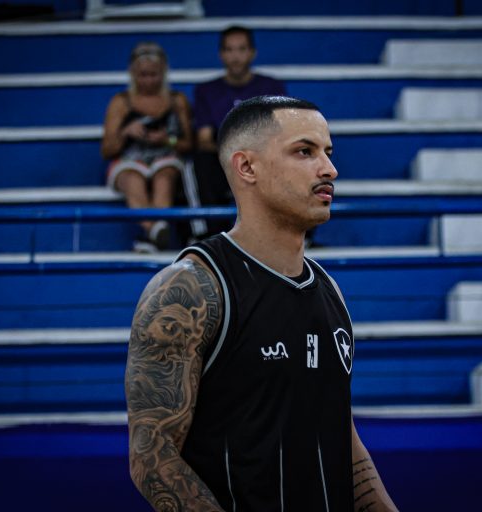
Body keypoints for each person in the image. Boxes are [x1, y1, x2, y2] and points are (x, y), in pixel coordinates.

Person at [125, 96, 398, 511]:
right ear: (247, 167)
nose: (329, 169)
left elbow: (343, 439)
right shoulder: (191, 288)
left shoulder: (330, 290)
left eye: (328, 152)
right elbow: (153, 458)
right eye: (304, 151)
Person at [192, 25, 287, 238]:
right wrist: (235, 155)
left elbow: (280, 133)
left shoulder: (271, 87)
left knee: (292, 156)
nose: (235, 57)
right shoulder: (206, 90)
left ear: (252, 53)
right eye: (229, 50)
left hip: (263, 156)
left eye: (241, 49)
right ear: (221, 54)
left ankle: (291, 234)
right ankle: (213, 235)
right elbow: (204, 139)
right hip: (222, 159)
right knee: (202, 160)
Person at [101, 42, 192, 252]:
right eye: (143, 75)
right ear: (133, 73)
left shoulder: (177, 101)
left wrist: (166, 140)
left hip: (166, 156)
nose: (149, 80)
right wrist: (126, 132)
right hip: (130, 159)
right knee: (133, 179)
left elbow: (189, 144)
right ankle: (155, 230)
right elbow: (107, 150)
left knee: (164, 177)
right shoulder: (121, 102)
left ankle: (149, 238)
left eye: (154, 74)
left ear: (164, 72)